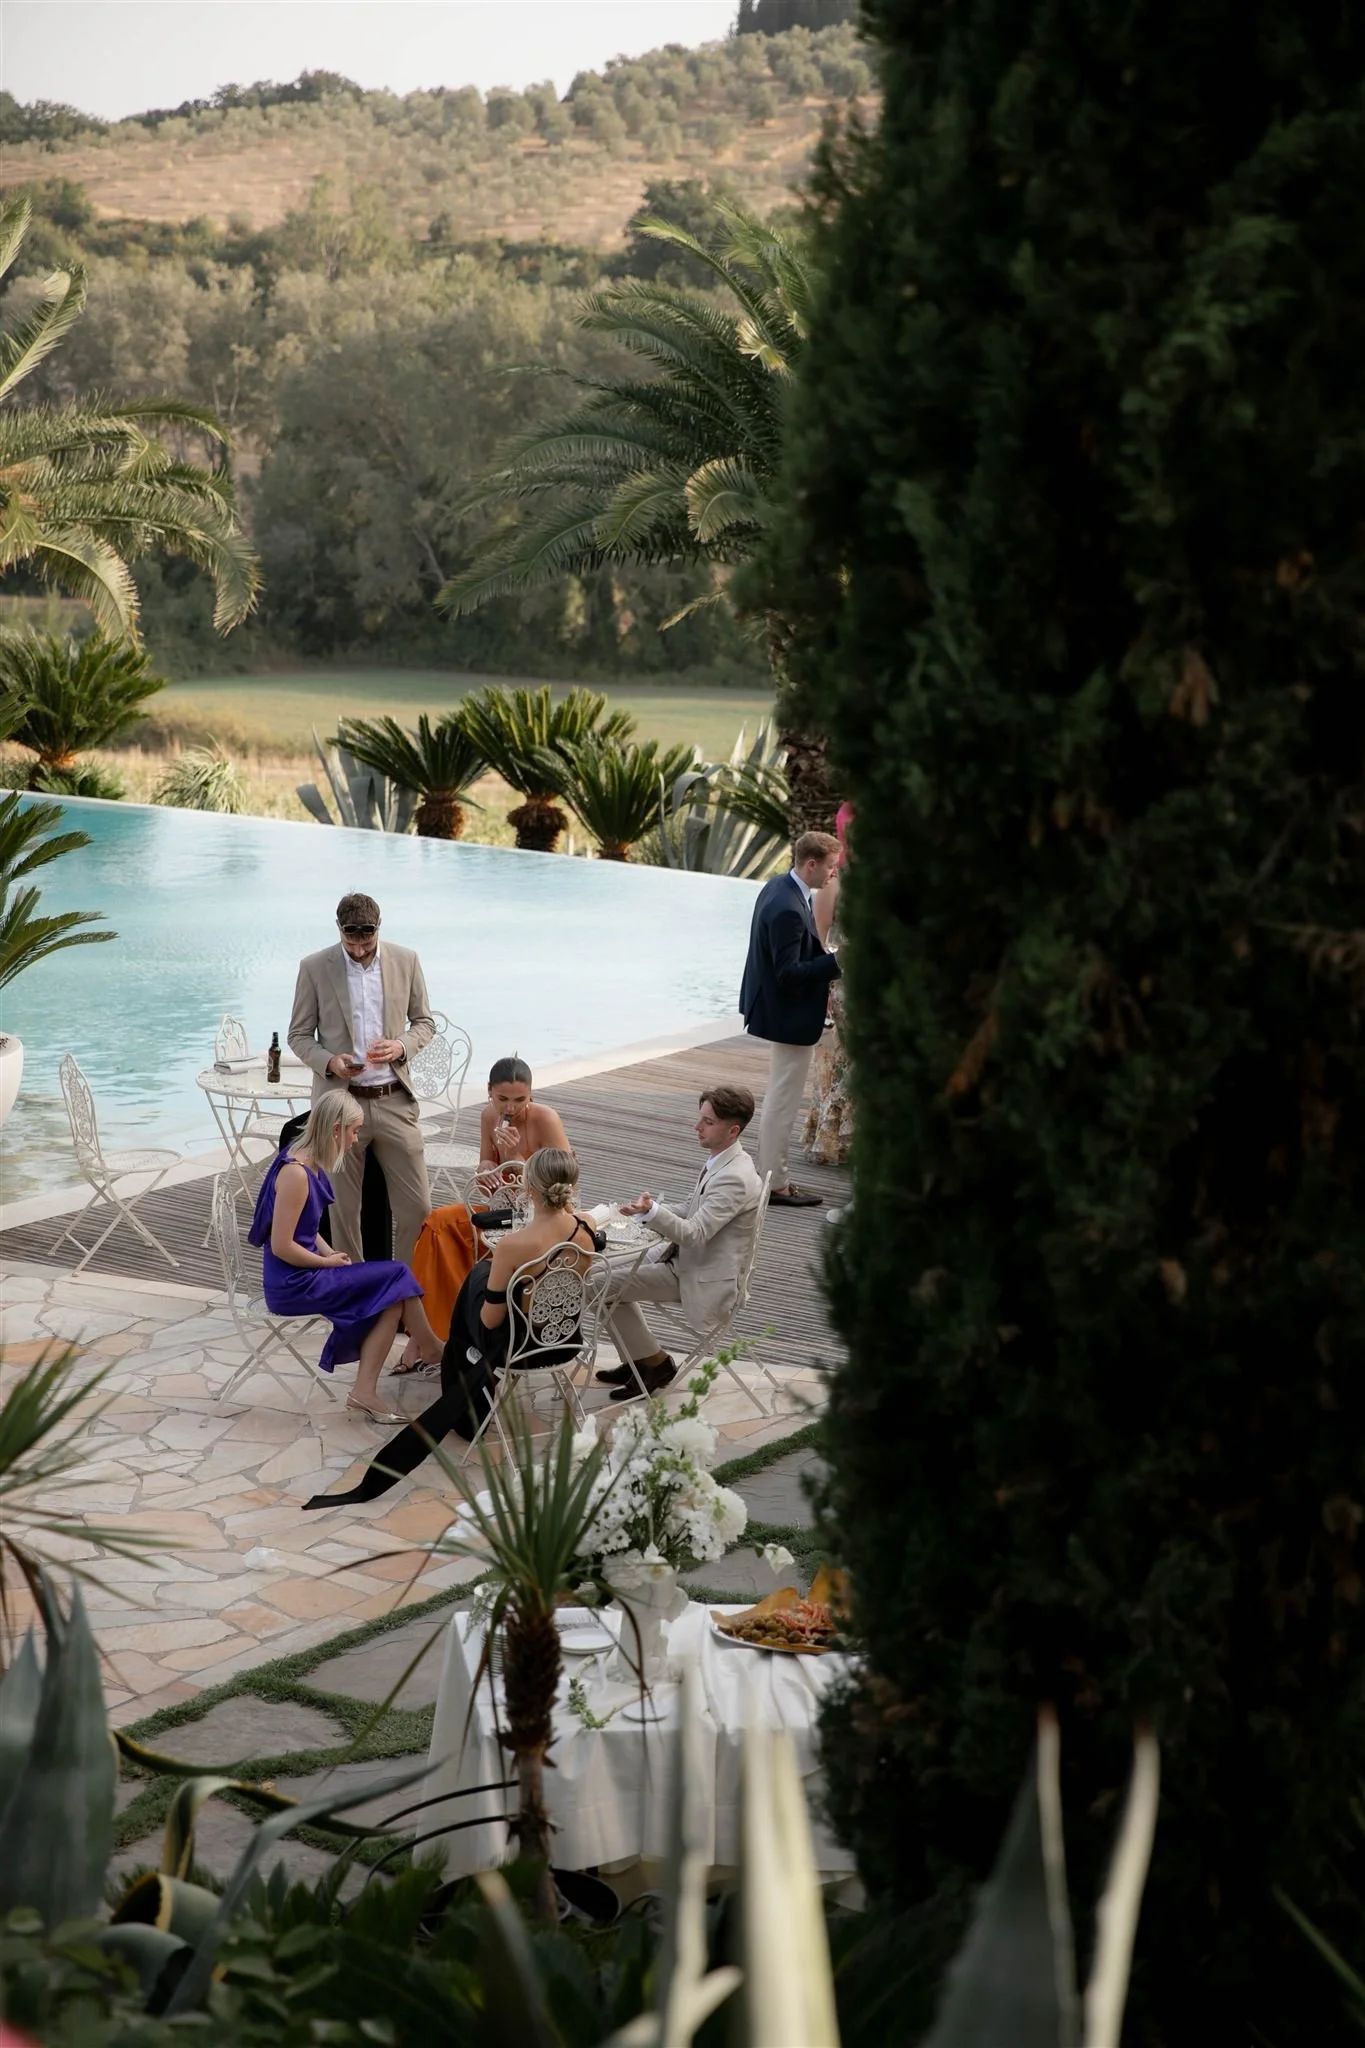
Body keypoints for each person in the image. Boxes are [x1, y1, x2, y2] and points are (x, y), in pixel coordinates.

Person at [302, 1148, 605, 1508]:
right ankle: (437, 1348)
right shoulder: (588, 1226)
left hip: (519, 1348)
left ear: (528, 1189)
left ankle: (458, 1391)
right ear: (571, 1187)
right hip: (566, 1341)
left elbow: (491, 1321)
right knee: (479, 1282)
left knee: (473, 1291)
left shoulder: (513, 1245)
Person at [249, 1089, 443, 1424]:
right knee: (397, 1274)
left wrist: (329, 1252)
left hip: (307, 1272)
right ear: (336, 1129)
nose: (355, 1140)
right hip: (293, 1284)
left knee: (393, 1295)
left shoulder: (308, 1158)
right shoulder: (296, 1173)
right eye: (353, 1131)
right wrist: (326, 1263)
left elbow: (306, 1230)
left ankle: (365, 1391)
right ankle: (433, 1349)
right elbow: (282, 1245)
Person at [288, 891, 435, 1267]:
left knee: (418, 1208)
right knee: (342, 1212)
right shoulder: (314, 967)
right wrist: (330, 1061)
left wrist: (401, 1046)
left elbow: (424, 1023)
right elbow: (299, 1036)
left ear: (378, 927)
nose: (358, 951)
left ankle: (400, 1291)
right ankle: (356, 1296)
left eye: (365, 943)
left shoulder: (407, 960)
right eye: (350, 942)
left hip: (393, 1100)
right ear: (339, 929)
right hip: (340, 1105)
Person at [597, 1084, 762, 1401]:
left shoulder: (734, 1177)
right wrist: (646, 1212)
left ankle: (654, 1362)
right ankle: (639, 1360)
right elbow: (691, 1209)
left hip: (701, 1274)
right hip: (685, 1257)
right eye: (700, 1118)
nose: (696, 1127)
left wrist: (655, 1213)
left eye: (708, 1122)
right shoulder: (724, 1159)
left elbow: (695, 1233)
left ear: (733, 1130)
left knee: (599, 1286)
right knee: (601, 1270)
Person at [739, 830, 841, 1207]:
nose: (833, 874)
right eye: (830, 867)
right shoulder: (786, 906)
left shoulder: (780, 887)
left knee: (780, 1097)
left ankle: (771, 1177)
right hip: (788, 1016)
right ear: (811, 864)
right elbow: (787, 973)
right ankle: (774, 1183)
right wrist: (836, 963)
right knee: (782, 1100)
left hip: (782, 1012)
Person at [802, 802, 853, 1167]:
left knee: (849, 1061)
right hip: (846, 990)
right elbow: (817, 944)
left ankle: (841, 1136)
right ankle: (833, 1134)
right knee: (845, 1061)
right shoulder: (833, 886)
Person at [478, 1056, 570, 1172]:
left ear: (529, 1094)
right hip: (503, 1189)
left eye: (520, 1100)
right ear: (489, 1090)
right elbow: (485, 1170)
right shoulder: (488, 1116)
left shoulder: (546, 1119)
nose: (510, 1108)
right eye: (503, 1099)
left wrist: (514, 1155)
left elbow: (564, 1177)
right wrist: (486, 1166)